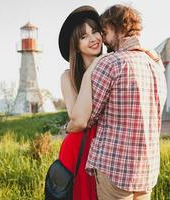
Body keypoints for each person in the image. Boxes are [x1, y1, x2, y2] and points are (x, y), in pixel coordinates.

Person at [66, 4, 167, 200]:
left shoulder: (110, 63)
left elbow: (86, 118)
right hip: (147, 167)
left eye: (102, 31)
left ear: (116, 27)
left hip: (115, 167)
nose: (102, 38)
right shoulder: (156, 64)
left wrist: (67, 127)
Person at [58, 5, 104, 200]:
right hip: (78, 148)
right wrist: (92, 69)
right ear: (75, 45)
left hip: (104, 146)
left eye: (95, 31)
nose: (93, 39)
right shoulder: (68, 77)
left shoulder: (111, 65)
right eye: (84, 36)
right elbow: (77, 119)